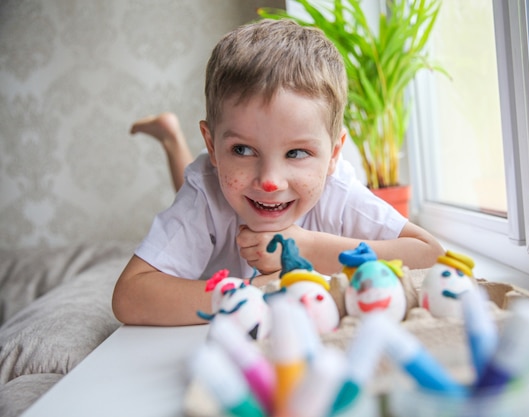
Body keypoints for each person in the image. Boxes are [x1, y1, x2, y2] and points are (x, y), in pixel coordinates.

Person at [112, 19, 444, 326]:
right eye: (242, 150)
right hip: (211, 182)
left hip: (228, 181)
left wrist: (308, 246)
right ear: (213, 146)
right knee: (199, 184)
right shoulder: (206, 188)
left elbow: (430, 255)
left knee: (221, 183)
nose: (270, 181)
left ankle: (183, 139)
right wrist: (254, 292)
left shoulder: (337, 189)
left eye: (297, 153)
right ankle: (172, 140)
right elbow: (130, 296)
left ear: (334, 154)